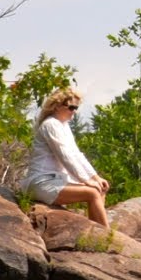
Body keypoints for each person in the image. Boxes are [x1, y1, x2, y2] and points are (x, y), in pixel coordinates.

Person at [22, 88, 111, 227]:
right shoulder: (50, 124)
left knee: (100, 189)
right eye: (71, 107)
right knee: (92, 193)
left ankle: (96, 232)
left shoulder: (63, 125)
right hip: (40, 182)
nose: (74, 111)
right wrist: (85, 180)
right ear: (56, 106)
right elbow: (65, 156)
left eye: (76, 108)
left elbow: (77, 155)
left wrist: (96, 178)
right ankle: (108, 237)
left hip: (55, 180)